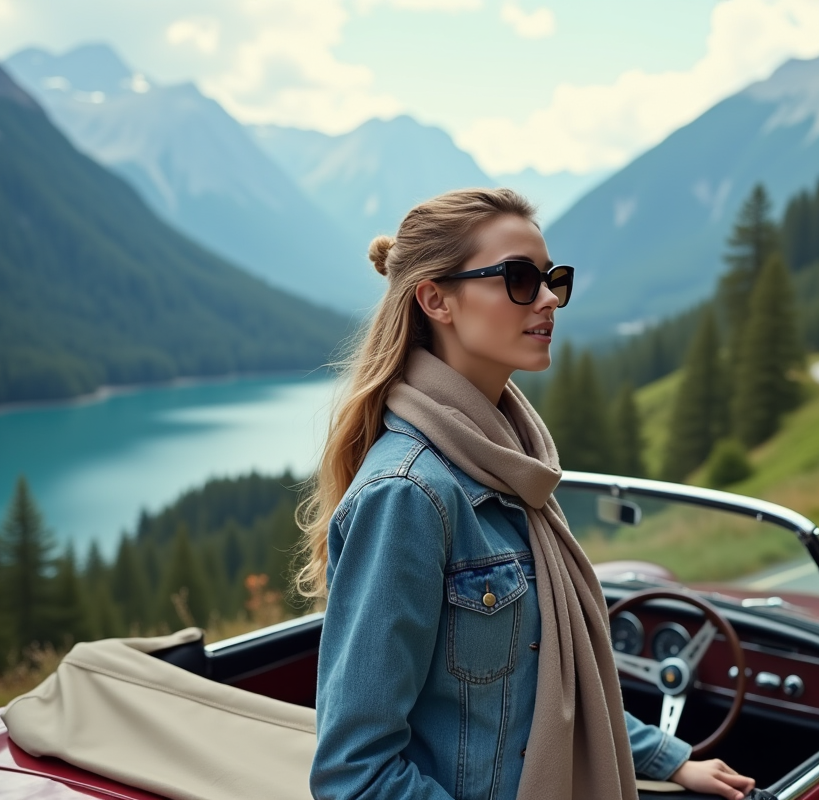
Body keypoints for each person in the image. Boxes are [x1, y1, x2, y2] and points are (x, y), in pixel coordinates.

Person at [296, 188, 756, 800]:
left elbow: (549, 682)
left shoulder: (510, 465)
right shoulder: (409, 495)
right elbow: (354, 774)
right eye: (518, 278)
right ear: (436, 299)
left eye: (551, 279)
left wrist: (666, 758)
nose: (547, 300)